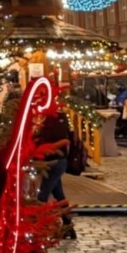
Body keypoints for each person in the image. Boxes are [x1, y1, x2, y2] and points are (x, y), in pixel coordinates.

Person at [30, 102, 77, 238]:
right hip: (55, 161)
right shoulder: (60, 118)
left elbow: (47, 140)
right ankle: (68, 226)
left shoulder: (51, 120)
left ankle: (37, 229)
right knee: (59, 194)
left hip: (53, 161)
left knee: (42, 195)